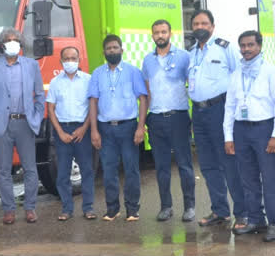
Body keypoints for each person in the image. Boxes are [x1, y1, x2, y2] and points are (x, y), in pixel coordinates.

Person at [223, 30, 275, 242]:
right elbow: (230, 106)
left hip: (264, 129)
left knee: (269, 178)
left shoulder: (271, 72)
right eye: (243, 46)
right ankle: (255, 220)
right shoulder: (236, 74)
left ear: (259, 46)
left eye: (250, 45)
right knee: (248, 178)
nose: (246, 49)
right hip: (241, 130)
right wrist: (228, 137)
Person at [0, 28, 45, 224]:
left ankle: (30, 208)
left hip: (25, 123)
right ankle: (9, 210)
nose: (12, 43)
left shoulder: (31, 65)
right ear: (2, 45)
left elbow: (40, 95)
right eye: (8, 40)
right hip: (1, 125)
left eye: (16, 40)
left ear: (21, 43)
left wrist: (37, 117)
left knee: (30, 168)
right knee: (4, 170)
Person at [187, 9, 246, 227]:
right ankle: (220, 211)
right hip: (199, 113)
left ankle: (242, 212)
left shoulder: (225, 48)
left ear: (212, 26)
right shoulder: (192, 52)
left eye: (204, 23)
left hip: (220, 110)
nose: (199, 27)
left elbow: (239, 75)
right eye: (196, 24)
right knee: (208, 165)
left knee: (229, 163)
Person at [88, 34, 148, 221]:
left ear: (122, 50)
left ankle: (132, 209)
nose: (112, 51)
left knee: (131, 169)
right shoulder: (97, 73)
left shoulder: (132, 72)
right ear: (104, 52)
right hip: (105, 129)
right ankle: (112, 209)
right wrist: (94, 130)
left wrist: (140, 127)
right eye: (108, 48)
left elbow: (143, 99)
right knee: (108, 170)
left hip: (128, 127)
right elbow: (93, 101)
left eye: (115, 47)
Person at [142, 19, 195, 222]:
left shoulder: (184, 57)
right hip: (155, 120)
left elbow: (193, 84)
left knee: (185, 165)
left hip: (179, 117)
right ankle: (166, 206)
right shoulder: (147, 60)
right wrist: (144, 120)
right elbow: (147, 92)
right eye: (156, 32)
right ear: (152, 35)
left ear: (170, 34)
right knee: (161, 166)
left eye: (164, 32)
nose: (160, 35)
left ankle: (189, 206)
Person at [46, 46, 96, 221]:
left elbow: (92, 106)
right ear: (61, 61)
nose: (70, 62)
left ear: (79, 59)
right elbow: (50, 109)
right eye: (66, 59)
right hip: (63, 131)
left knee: (87, 171)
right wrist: (59, 132)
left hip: (83, 129)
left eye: (73, 58)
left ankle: (88, 208)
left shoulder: (88, 80)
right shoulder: (55, 82)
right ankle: (67, 209)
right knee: (62, 173)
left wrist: (84, 128)